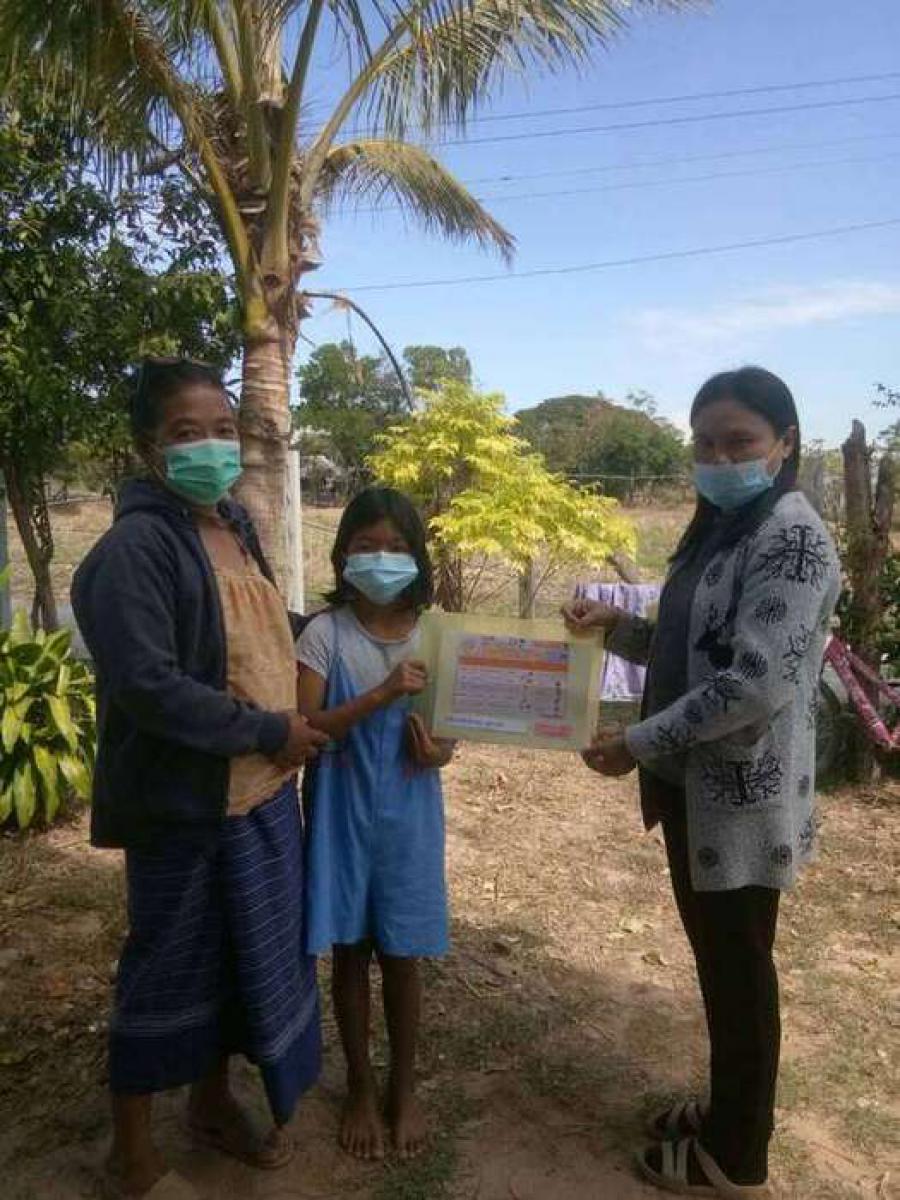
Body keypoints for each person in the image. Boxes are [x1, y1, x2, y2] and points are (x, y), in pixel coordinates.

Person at [565, 367, 840, 1198]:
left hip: (742, 801)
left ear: (784, 444)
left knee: (739, 972)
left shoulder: (791, 538)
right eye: (705, 444)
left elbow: (753, 684)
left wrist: (638, 741)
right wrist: (622, 628)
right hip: (700, 792)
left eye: (739, 442)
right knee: (722, 966)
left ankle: (735, 1157)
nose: (719, 459)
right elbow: (698, 646)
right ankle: (727, 1111)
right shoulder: (725, 525)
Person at [72, 358, 328, 1198]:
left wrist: (355, 625)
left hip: (259, 794)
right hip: (185, 804)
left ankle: (211, 1105)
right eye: (187, 432)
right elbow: (148, 686)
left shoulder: (234, 524)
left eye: (222, 428)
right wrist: (269, 729)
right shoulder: (134, 550)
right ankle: (133, 1157)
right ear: (149, 447)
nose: (211, 446)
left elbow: (261, 626)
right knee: (167, 968)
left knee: (232, 962)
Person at [295, 487, 455, 1162]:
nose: (381, 558)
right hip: (340, 809)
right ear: (342, 555)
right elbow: (307, 726)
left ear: (417, 557)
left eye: (396, 546)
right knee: (351, 952)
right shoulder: (324, 634)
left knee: (403, 955)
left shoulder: (436, 634)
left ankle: (403, 1088)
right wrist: (381, 694)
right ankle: (360, 1086)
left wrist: (438, 752)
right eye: (366, 546)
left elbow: (449, 734)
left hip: (411, 815)